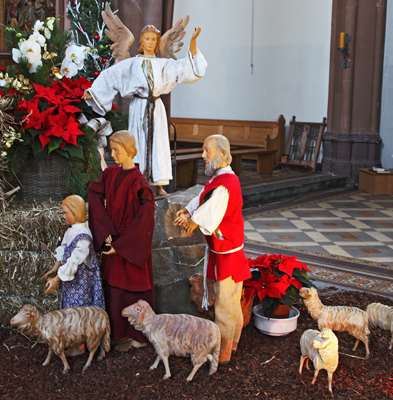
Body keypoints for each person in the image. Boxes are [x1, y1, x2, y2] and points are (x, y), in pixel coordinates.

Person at [83, 20, 207, 197]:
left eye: (153, 40)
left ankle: (159, 185)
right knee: (137, 145)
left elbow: (185, 68)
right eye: (147, 39)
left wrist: (193, 42)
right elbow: (111, 75)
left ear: (157, 43)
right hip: (139, 108)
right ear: (141, 42)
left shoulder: (163, 64)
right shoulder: (132, 63)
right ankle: (137, 183)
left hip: (156, 108)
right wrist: (93, 91)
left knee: (158, 145)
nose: (150, 42)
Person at [173, 134, 251, 364]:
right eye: (203, 150)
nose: (203, 155)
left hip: (228, 254)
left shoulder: (227, 184)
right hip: (224, 252)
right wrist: (189, 211)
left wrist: (194, 221)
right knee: (230, 303)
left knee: (226, 307)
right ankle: (232, 344)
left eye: (207, 151)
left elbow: (214, 209)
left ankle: (223, 353)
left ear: (222, 155)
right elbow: (203, 198)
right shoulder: (220, 177)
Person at [87, 130, 155, 350]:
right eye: (111, 150)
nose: (112, 155)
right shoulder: (111, 175)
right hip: (115, 239)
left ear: (129, 150)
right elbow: (93, 191)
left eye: (116, 150)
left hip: (130, 243)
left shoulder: (139, 182)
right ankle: (118, 333)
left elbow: (146, 216)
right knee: (115, 289)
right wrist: (105, 230)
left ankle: (139, 336)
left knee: (134, 289)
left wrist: (123, 245)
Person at [43, 195, 105, 310]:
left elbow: (74, 261)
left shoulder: (83, 236)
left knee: (79, 311)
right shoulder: (71, 230)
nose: (64, 217)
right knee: (69, 309)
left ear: (75, 212)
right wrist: (55, 268)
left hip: (82, 284)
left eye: (66, 213)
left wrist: (56, 279)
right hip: (70, 281)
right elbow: (63, 248)